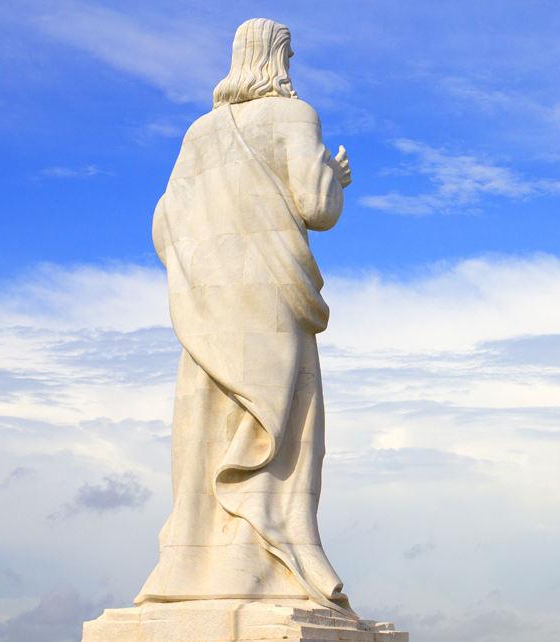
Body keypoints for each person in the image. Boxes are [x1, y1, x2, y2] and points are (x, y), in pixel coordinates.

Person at [136, 17, 354, 616]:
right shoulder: (295, 115)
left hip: (207, 315)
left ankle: (197, 566)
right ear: (279, 58)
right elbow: (316, 207)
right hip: (273, 305)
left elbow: (163, 227)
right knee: (283, 434)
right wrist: (334, 179)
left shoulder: (196, 135)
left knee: (208, 438)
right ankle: (271, 566)